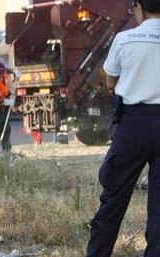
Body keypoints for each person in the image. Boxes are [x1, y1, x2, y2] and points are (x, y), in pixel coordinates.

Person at [86, 0, 160, 256]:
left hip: (132, 124)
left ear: (139, 7)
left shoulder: (125, 38)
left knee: (114, 197)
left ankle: (98, 252)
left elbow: (109, 81)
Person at [0, 62, 17, 151]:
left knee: (6, 126)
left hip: (5, 102)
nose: (1, 76)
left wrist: (15, 71)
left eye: (2, 73)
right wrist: (5, 101)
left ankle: (6, 148)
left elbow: (8, 70)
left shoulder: (3, 71)